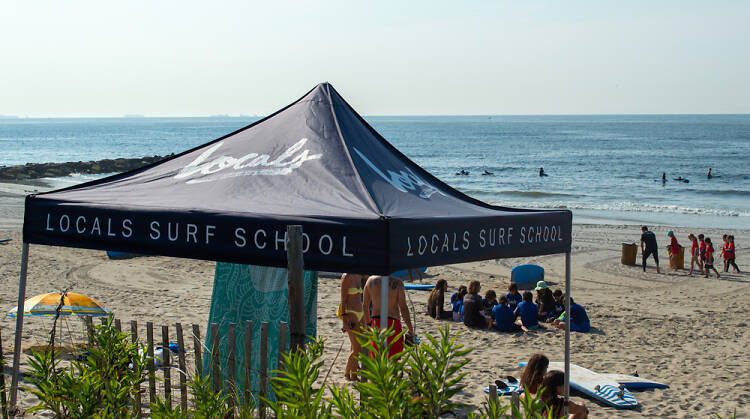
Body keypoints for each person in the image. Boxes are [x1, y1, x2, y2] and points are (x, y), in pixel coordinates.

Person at [362, 275, 415, 358]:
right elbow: (403, 307)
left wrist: (368, 324)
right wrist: (410, 329)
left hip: (376, 323)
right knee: (393, 359)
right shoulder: (397, 282)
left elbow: (365, 306)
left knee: (377, 357)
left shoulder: (370, 280)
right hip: (393, 323)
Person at [339, 273, 366, 380]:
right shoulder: (347, 277)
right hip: (351, 313)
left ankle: (351, 373)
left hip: (360, 313)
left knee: (358, 346)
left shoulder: (359, 275)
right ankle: (349, 374)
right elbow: (343, 299)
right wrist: (344, 320)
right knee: (356, 348)